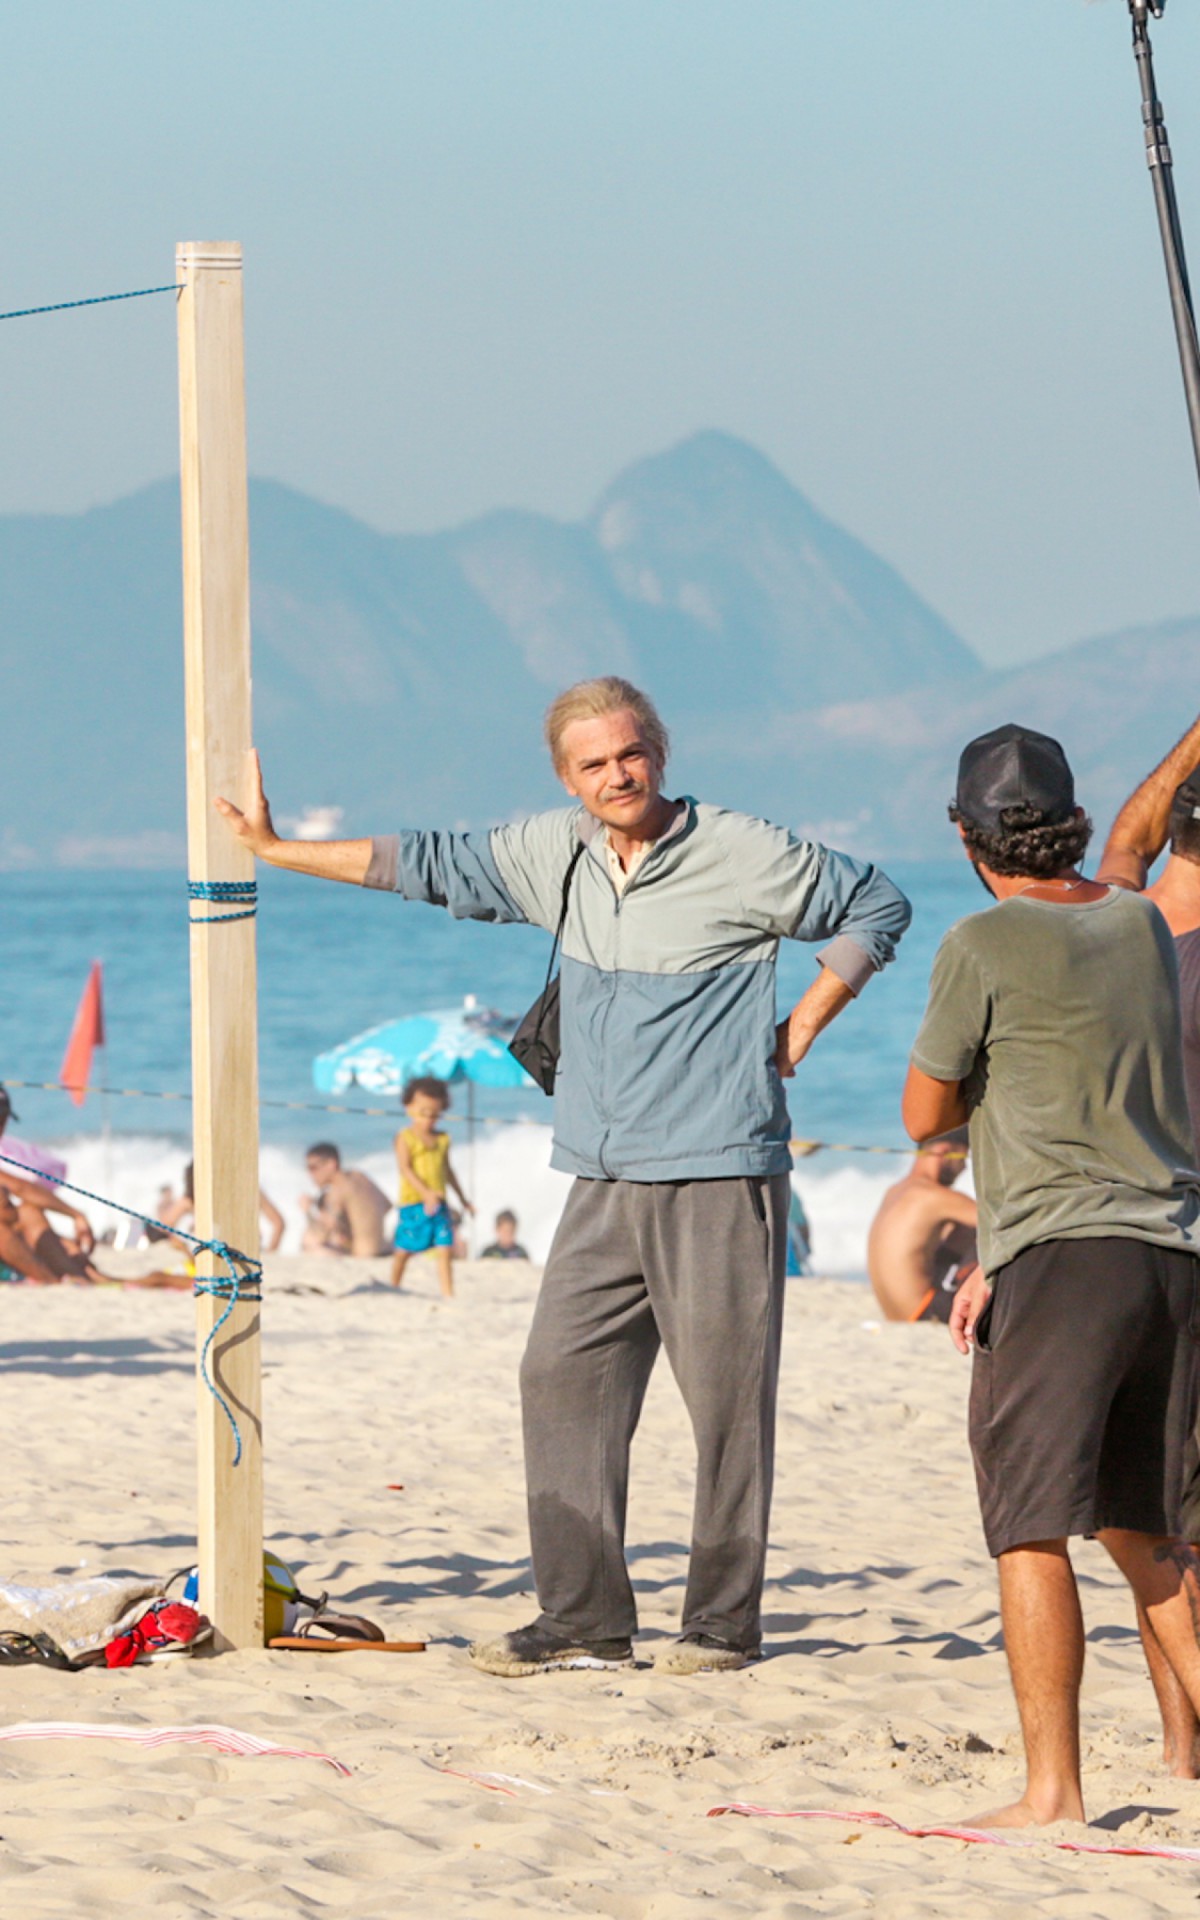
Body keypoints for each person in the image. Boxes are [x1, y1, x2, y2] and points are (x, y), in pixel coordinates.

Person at [217, 675, 910, 1676]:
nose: (617, 775)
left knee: (725, 1405)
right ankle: (584, 1615)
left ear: (660, 752)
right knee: (559, 1374)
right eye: (595, 765)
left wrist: (800, 1024)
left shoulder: (740, 850)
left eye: (631, 754)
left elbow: (876, 901)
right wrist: (279, 851)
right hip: (599, 1170)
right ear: (566, 779)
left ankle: (720, 1625)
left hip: (719, 1165)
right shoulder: (556, 853)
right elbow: (428, 864)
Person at [904, 722, 1200, 1828]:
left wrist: (988, 1085)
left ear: (968, 837)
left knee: (1029, 1525)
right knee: (1145, 1532)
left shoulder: (981, 942)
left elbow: (923, 1116)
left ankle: (1053, 1792)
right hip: (1171, 1256)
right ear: (1070, 820)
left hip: (1061, 1266)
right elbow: (1133, 847)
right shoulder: (1137, 922)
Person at [1097, 708, 1200, 1777]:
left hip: (1135, 1241)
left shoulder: (1123, 928)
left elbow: (1128, 831)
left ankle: (1181, 1753)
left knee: (1150, 1516)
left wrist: (1190, 740)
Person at [866, 1128, 977, 1322]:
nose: (965, 1168)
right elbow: (998, 1223)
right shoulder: (933, 1195)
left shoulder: (894, 1191)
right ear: (944, 1151)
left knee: (963, 1230)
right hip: (926, 1312)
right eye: (963, 1158)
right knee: (985, 1233)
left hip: (893, 1314)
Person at [391, 1077, 472, 1297]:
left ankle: (448, 1293)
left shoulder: (443, 1139)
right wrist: (425, 1193)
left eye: (435, 1114)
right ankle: (393, 1286)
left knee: (445, 1247)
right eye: (423, 1112)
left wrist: (463, 1200)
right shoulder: (405, 1138)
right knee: (405, 1249)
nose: (429, 1119)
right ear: (409, 1108)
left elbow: (448, 1171)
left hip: (440, 1203)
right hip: (413, 1202)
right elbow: (405, 1169)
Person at [155, 1160, 285, 1256]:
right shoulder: (247, 1190)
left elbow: (163, 1226)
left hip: (214, 1255)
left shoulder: (191, 1200)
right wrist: (269, 1254)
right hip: (246, 1255)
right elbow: (279, 1223)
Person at [300, 1143, 390, 1257]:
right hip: (381, 1248)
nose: (310, 1174)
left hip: (363, 1254)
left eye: (313, 1168)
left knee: (308, 1239)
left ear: (331, 1164)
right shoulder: (360, 1176)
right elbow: (387, 1205)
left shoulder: (337, 1189)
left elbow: (320, 1235)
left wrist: (307, 1211)